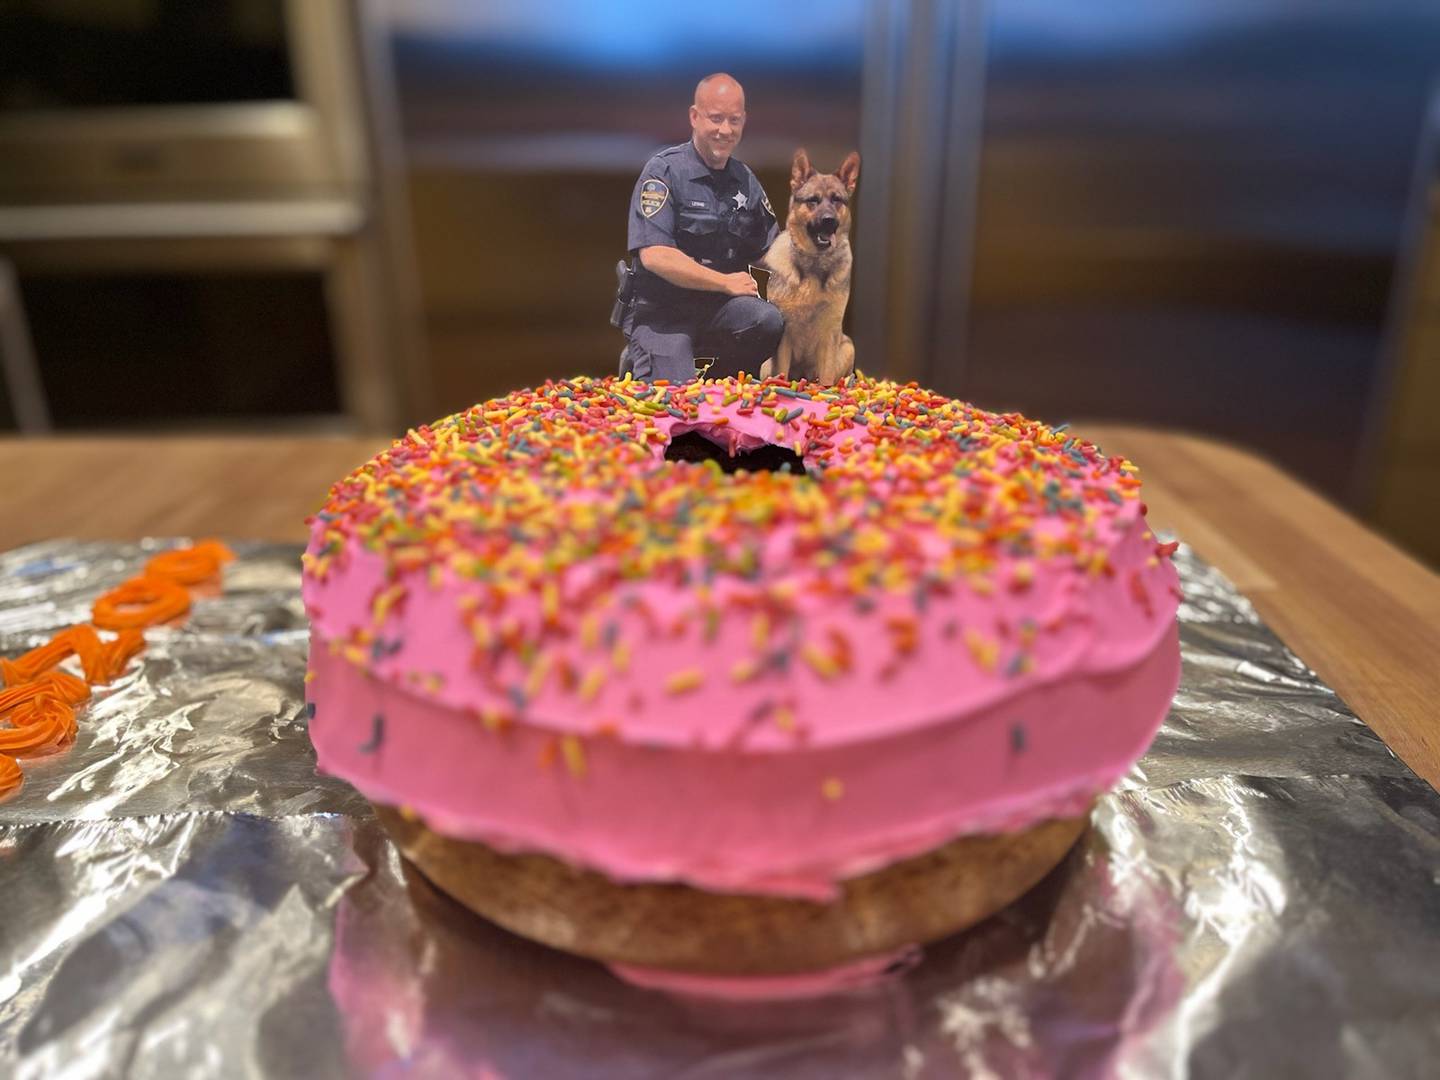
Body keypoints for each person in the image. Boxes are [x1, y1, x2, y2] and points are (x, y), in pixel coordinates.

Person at [619, 73, 784, 383]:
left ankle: (719, 383)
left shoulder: (745, 180)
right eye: (716, 118)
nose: (725, 130)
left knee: (767, 320)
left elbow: (772, 252)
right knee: (676, 399)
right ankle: (644, 359)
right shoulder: (664, 171)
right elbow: (656, 256)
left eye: (734, 120)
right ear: (695, 117)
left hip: (719, 311)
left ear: (743, 121)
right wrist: (724, 282)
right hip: (664, 315)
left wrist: (818, 256)